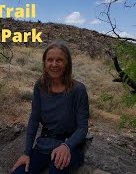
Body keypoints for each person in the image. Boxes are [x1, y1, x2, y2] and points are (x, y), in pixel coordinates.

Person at [11, 41, 90, 174]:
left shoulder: (78, 90)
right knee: (19, 172)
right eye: (50, 60)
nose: (54, 64)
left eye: (59, 60)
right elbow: (34, 120)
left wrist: (67, 146)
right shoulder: (40, 87)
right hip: (45, 144)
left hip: (70, 146)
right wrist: (26, 153)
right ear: (44, 63)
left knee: (56, 170)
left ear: (67, 64)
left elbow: (82, 128)